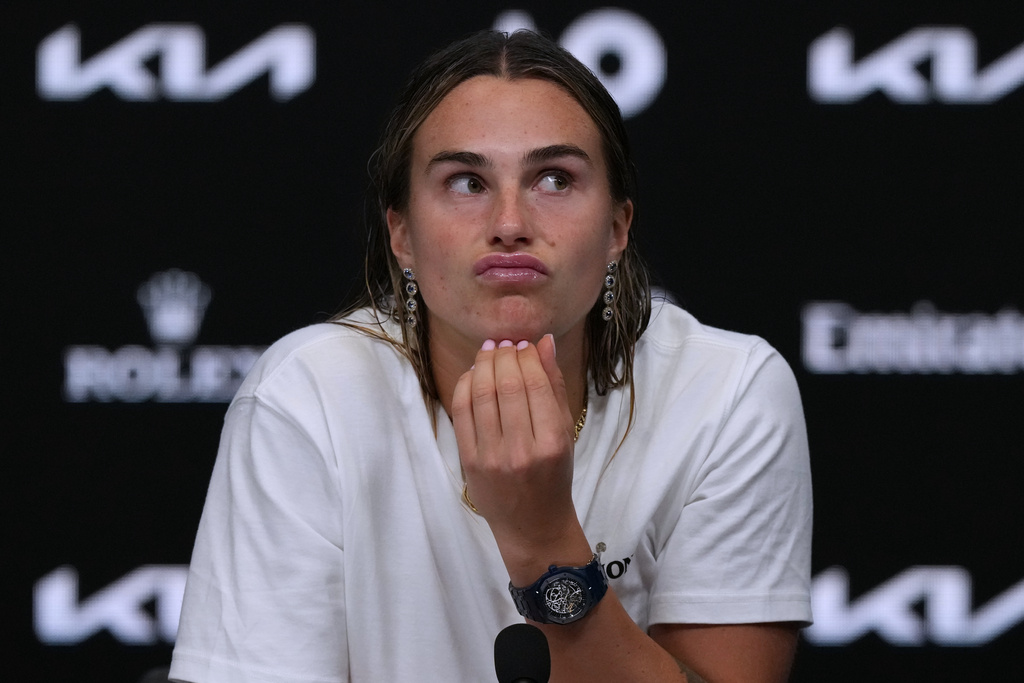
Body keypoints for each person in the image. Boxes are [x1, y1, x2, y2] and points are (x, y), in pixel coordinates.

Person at [169, 29, 812, 683]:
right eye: (467, 181)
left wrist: (543, 540)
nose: (509, 221)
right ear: (402, 233)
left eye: (555, 179)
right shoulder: (306, 394)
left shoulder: (728, 392)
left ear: (618, 227)